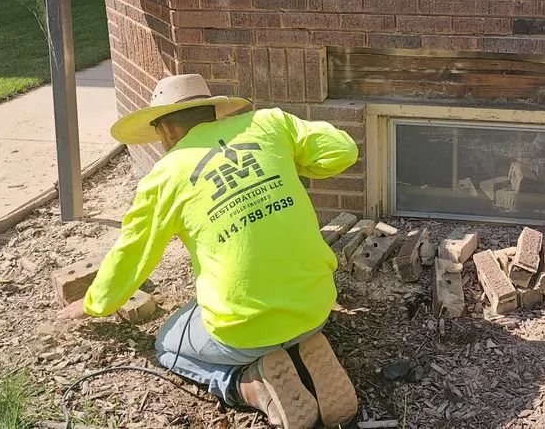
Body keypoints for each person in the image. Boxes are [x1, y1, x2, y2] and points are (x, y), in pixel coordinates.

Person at [59, 74, 359, 429]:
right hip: (316, 308)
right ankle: (303, 351)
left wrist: (94, 304)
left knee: (166, 343)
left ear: (166, 131)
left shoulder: (165, 176)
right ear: (213, 112)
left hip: (243, 335)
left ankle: (246, 385)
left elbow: (132, 254)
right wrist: (293, 163)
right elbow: (344, 150)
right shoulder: (269, 124)